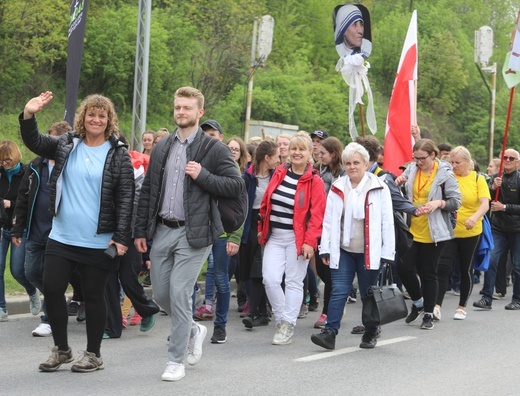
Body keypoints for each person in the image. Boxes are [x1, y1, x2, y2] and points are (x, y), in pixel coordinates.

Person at [134, 87, 244, 381]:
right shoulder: (162, 147)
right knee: (160, 294)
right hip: (161, 229)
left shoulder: (214, 149)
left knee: (180, 292)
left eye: (187, 108)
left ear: (200, 113)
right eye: (178, 107)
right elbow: (148, 192)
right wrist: (141, 230)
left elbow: (235, 186)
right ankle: (194, 329)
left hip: (195, 233)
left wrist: (202, 176)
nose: (181, 112)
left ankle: (175, 360)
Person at [20, 91, 134, 373]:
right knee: (52, 289)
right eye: (91, 114)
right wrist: (29, 115)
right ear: (83, 117)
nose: (96, 119)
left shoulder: (118, 153)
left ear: (109, 121)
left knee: (95, 296)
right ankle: (62, 350)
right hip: (62, 236)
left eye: (102, 115)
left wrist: (121, 238)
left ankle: (93, 354)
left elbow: (126, 198)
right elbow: (34, 141)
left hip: (98, 240)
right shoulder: (66, 144)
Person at [311, 142, 395, 350]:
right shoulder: (338, 186)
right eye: (348, 163)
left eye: (356, 162)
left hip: (370, 252)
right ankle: (330, 332)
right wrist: (326, 248)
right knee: (339, 290)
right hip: (344, 250)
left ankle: (370, 332)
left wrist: (387, 252)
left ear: (366, 164)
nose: (352, 167)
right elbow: (329, 220)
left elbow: (387, 221)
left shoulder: (379, 187)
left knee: (368, 292)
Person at [259, 134, 326, 345]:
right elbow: (265, 203)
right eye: (294, 148)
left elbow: (317, 215)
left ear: (309, 154)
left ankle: (288, 324)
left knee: (294, 282)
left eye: (302, 149)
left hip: (298, 239)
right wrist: (262, 228)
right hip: (275, 237)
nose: (297, 152)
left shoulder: (314, 181)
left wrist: (310, 241)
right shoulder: (279, 173)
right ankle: (281, 320)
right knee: (269, 279)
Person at [11, 121, 72, 336]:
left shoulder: (70, 165)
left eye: (53, 140)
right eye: (48, 138)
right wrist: (18, 228)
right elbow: (22, 198)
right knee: (26, 271)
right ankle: (57, 299)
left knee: (49, 276)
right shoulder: (36, 165)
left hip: (58, 235)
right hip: (34, 232)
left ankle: (48, 319)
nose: (47, 143)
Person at [395, 139, 461, 330]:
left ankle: (429, 314)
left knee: (428, 273)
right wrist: (399, 182)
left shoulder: (445, 174)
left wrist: (438, 203)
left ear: (433, 155)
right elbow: (405, 193)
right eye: (415, 158)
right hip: (412, 229)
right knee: (403, 267)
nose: (418, 162)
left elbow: (456, 201)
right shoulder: (412, 169)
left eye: (422, 158)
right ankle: (418, 302)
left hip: (435, 232)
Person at [194, 119, 243, 344]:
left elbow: (240, 205)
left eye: (213, 134)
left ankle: (220, 326)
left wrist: (235, 237)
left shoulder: (228, 164)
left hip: (222, 233)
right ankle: (185, 327)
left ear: (220, 137)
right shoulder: (193, 160)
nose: (209, 138)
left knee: (222, 279)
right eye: (205, 134)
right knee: (188, 279)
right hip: (197, 231)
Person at [431, 146, 490, 320]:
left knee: (465, 269)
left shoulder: (477, 178)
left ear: (467, 162)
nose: (454, 165)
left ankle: (461, 307)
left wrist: (474, 217)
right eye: (452, 162)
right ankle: (436, 306)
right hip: (449, 231)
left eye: (457, 162)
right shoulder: (448, 178)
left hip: (471, 231)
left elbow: (485, 204)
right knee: (443, 268)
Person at [474, 149, 520, 310]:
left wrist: (505, 207)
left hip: (517, 229)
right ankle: (487, 297)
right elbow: (485, 200)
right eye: (505, 157)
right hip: (498, 228)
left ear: (518, 162)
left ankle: (517, 299)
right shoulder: (495, 178)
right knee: (492, 261)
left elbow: (502, 206)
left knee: (517, 265)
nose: (507, 160)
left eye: (511, 158)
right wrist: (493, 188)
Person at [0, 140, 41, 322]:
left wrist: (11, 204)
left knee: (18, 271)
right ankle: (2, 307)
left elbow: (29, 202)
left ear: (15, 156)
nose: (4, 163)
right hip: (2, 228)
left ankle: (32, 291)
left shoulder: (27, 173)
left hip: (20, 229)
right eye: (1, 160)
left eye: (7, 159)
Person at [240, 140, 280, 329]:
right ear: (267, 158)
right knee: (250, 268)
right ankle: (263, 313)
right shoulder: (248, 177)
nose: (279, 160)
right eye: (276, 157)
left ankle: (253, 311)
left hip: (268, 225)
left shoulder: (277, 177)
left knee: (259, 267)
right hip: (250, 224)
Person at [313, 137, 346, 329]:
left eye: (323, 153)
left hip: (338, 228)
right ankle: (339, 297)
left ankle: (328, 310)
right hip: (320, 224)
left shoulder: (343, 173)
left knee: (332, 271)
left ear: (333, 154)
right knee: (322, 269)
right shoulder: (319, 170)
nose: (319, 155)